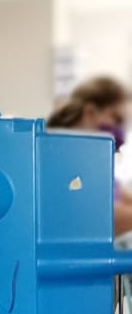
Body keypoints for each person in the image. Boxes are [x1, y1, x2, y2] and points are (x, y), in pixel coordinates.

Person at [46, 75, 132, 235]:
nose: (120, 130)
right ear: (90, 112)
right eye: (117, 119)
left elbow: (120, 196)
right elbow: (99, 214)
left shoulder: (93, 158)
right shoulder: (62, 152)